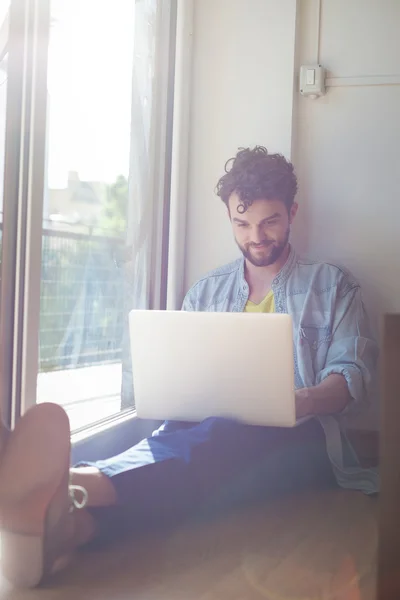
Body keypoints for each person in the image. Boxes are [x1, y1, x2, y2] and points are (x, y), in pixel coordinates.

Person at [0, 146, 379, 589]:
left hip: (305, 441)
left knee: (224, 436)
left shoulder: (333, 285)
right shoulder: (206, 292)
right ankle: (70, 529)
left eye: (269, 222)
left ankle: (71, 487)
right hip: (207, 434)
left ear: (292, 211)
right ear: (228, 218)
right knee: (179, 441)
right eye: (242, 223)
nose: (256, 236)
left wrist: (299, 399)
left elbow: (352, 378)